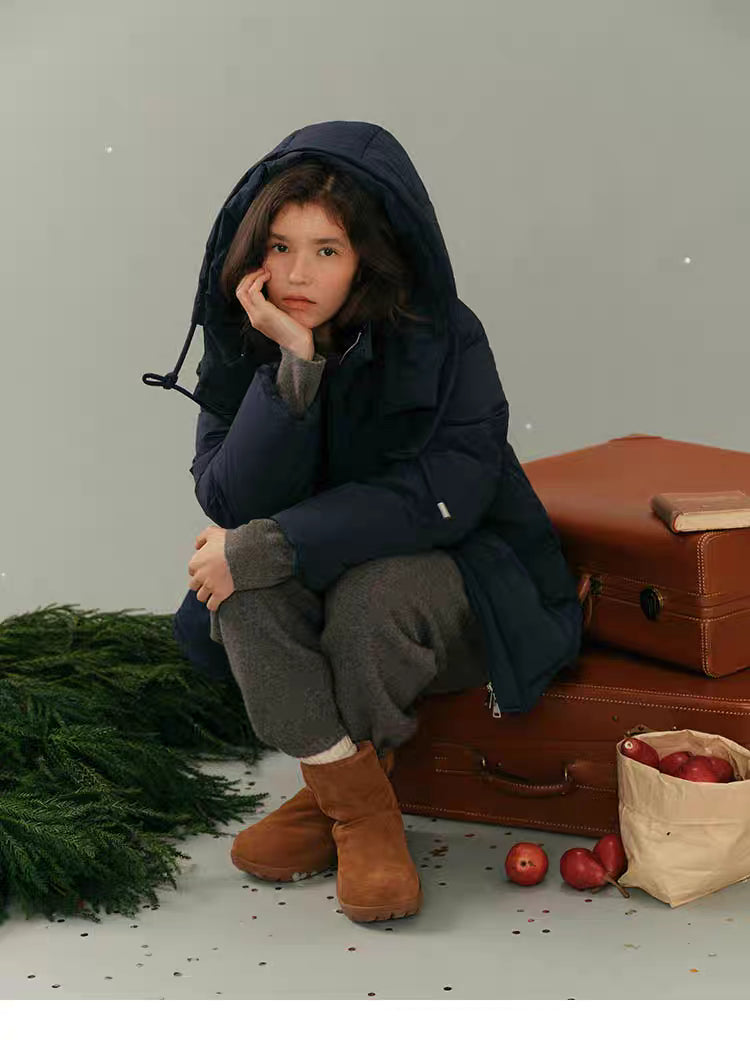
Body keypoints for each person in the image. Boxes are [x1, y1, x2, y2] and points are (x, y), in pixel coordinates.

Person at [157, 120, 584, 924]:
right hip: (322, 567)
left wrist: (274, 543)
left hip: (459, 573)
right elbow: (227, 495)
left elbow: (446, 490)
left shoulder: (446, 334)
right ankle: (355, 804)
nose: (296, 272)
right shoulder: (245, 335)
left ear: (367, 257)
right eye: (280, 246)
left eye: (326, 249)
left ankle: (338, 808)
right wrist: (293, 364)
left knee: (365, 599)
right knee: (238, 597)